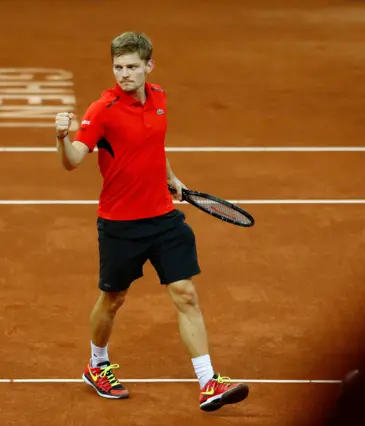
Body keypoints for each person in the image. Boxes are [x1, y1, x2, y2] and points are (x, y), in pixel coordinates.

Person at [53, 31, 249, 412]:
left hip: (163, 217)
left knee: (185, 293)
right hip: (120, 223)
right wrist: (60, 137)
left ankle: (208, 382)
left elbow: (153, 144)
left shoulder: (158, 98)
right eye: (118, 67)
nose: (123, 74)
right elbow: (72, 160)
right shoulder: (102, 110)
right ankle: (97, 365)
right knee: (113, 299)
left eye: (131, 67)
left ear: (148, 66)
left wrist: (170, 176)